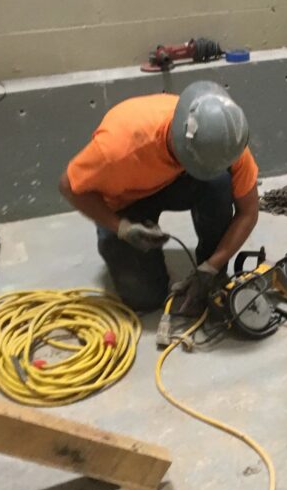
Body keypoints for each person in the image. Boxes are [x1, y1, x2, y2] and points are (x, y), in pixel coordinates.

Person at [60, 81, 259, 316]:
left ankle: (209, 271)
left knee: (218, 182)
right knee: (145, 298)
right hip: (125, 197)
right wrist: (121, 228)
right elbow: (69, 186)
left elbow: (248, 212)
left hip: (177, 181)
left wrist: (212, 266)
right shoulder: (119, 147)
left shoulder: (225, 141)